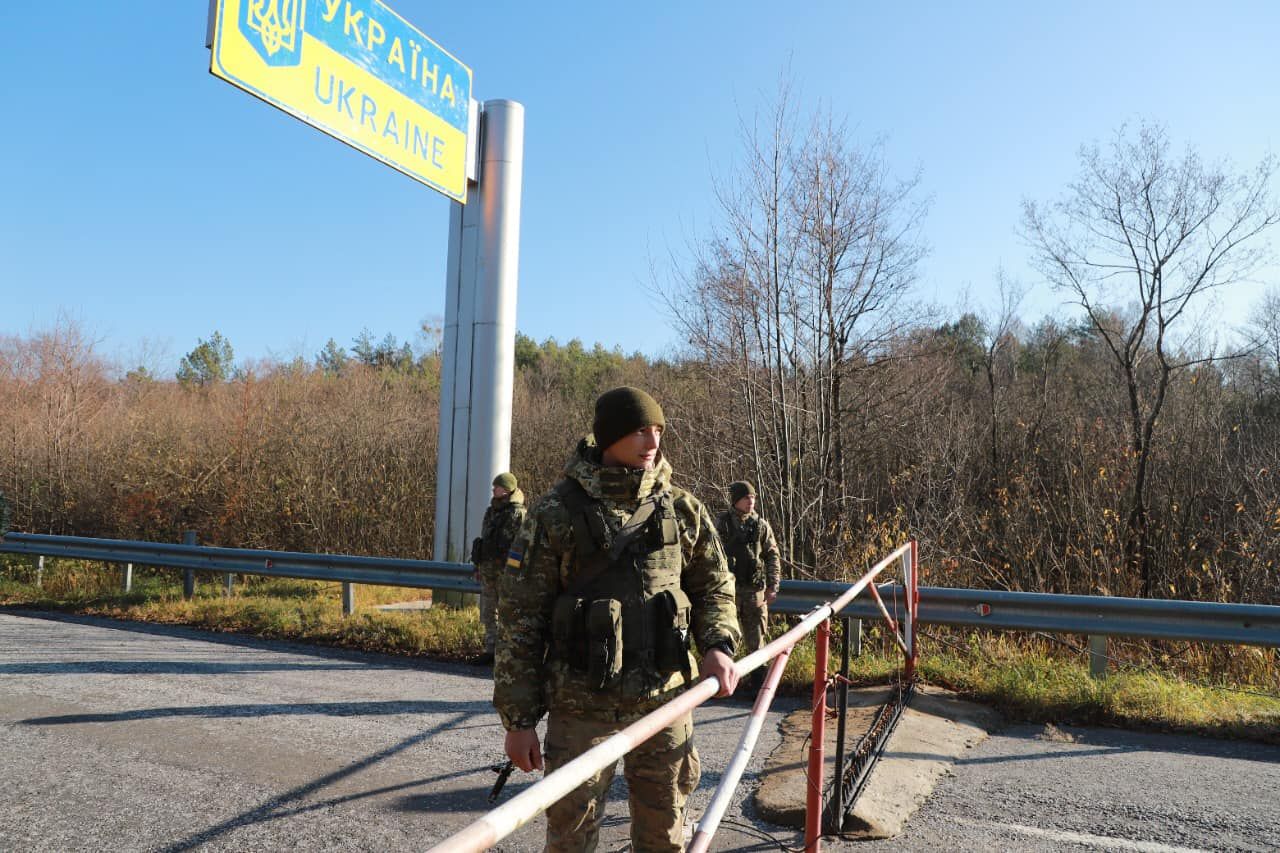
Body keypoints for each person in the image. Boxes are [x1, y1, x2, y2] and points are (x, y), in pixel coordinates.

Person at [494, 386, 741, 852]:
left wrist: (718, 645)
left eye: (658, 431)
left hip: (665, 701)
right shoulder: (554, 513)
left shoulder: (682, 507)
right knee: (571, 838)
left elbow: (715, 586)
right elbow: (520, 620)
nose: (653, 442)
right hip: (581, 707)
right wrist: (519, 720)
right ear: (608, 438)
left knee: (665, 835)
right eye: (639, 431)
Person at [716, 481, 781, 667]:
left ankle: (758, 686)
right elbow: (710, 556)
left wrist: (773, 585)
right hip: (729, 593)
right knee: (725, 642)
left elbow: (772, 556)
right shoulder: (722, 524)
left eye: (753, 497)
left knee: (757, 644)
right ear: (736, 500)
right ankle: (725, 684)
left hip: (754, 593)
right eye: (746, 497)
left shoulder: (761, 525)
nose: (751, 501)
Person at [470, 473, 527, 665]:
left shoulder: (518, 513)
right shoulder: (491, 511)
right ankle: (490, 650)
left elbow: (520, 545)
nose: (494, 489)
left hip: (506, 572)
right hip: (488, 570)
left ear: (508, 489)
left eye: (497, 486)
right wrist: (479, 566)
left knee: (506, 613)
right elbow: (485, 540)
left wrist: (515, 571)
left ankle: (505, 653)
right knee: (488, 612)